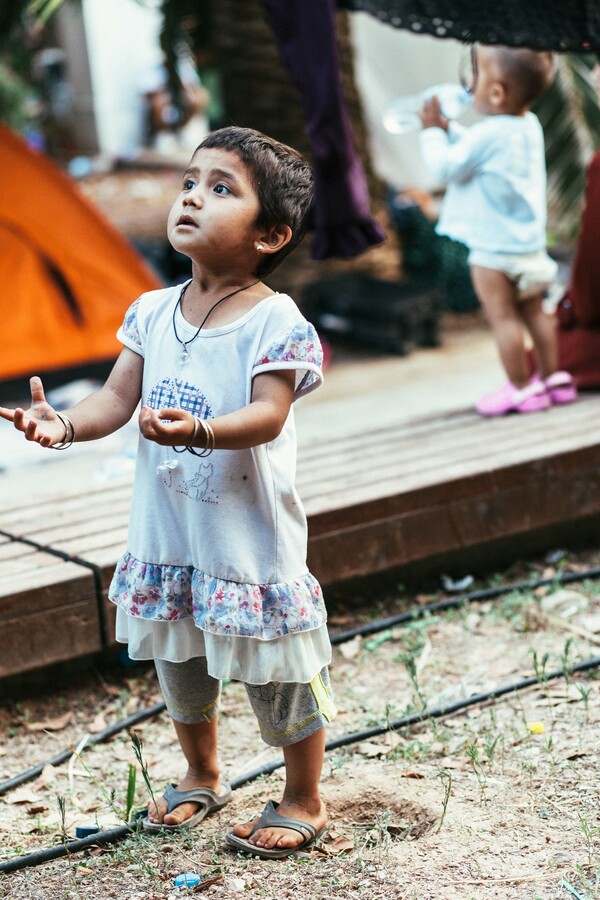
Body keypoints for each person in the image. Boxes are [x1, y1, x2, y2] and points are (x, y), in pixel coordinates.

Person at [0, 126, 336, 860]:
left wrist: (202, 432)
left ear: (272, 234)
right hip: (171, 536)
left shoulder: (275, 320)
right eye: (191, 180)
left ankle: (304, 793)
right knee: (180, 663)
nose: (192, 195)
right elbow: (115, 402)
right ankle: (202, 771)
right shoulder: (151, 310)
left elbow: (270, 413)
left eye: (221, 188)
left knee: (276, 668)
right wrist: (62, 425)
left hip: (247, 541)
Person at [419, 44, 577, 416]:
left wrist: (431, 133)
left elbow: (445, 168)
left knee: (503, 318)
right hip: (531, 249)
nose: (467, 84)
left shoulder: (489, 134)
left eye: (475, 74)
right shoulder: (528, 125)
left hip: (494, 254)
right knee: (536, 313)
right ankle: (554, 379)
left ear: (495, 92)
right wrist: (451, 129)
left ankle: (522, 388)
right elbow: (479, 153)